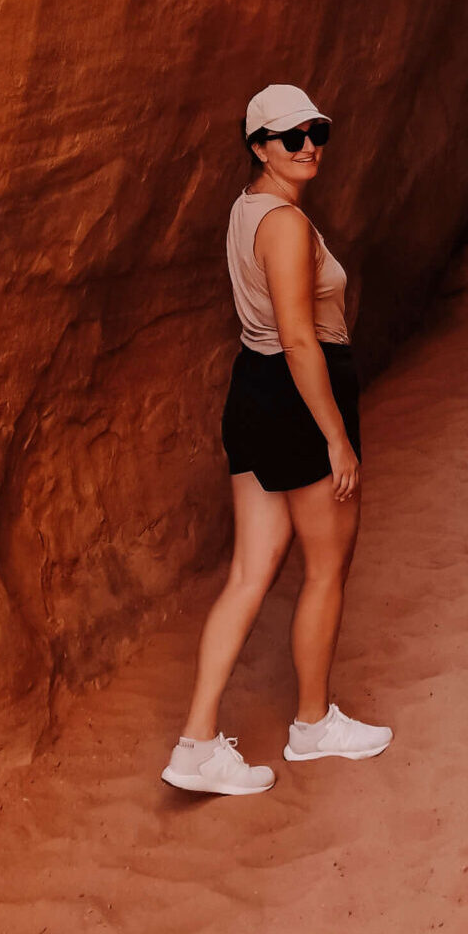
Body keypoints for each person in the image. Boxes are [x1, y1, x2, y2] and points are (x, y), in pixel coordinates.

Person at [162, 83, 392, 797]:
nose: (309, 145)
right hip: (299, 398)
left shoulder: (246, 211)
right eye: (290, 136)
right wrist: (336, 439)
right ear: (259, 146)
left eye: (316, 130)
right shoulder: (285, 226)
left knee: (248, 572)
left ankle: (197, 742)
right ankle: (312, 724)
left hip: (254, 394)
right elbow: (298, 337)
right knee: (326, 566)